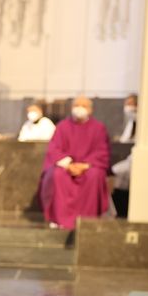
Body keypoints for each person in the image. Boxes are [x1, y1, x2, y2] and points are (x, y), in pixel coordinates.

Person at [38, 96, 111, 230]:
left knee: (94, 176)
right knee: (57, 175)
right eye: (77, 105)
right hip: (66, 165)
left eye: (83, 106)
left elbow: (102, 151)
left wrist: (85, 165)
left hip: (88, 167)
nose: (79, 109)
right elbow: (54, 148)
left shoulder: (99, 128)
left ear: (90, 110)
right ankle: (59, 220)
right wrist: (68, 164)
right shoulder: (62, 127)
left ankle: (88, 220)